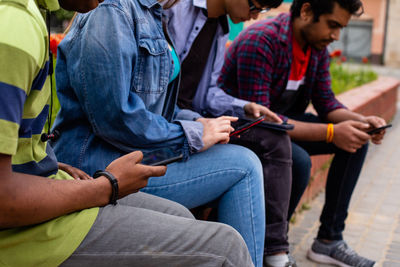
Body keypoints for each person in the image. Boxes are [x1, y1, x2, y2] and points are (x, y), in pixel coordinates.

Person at [0, 0, 255, 266]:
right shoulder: (17, 25)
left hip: (76, 174)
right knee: (226, 245)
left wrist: (49, 163)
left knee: (181, 215)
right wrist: (106, 186)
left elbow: (19, 144)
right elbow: (114, 116)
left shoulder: (34, 14)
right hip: (28, 234)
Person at [218, 0, 387, 266]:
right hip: (243, 127)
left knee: (355, 140)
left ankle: (329, 241)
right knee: (298, 160)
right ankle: (270, 245)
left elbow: (327, 103)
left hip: (281, 125)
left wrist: (363, 121)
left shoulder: (314, 47)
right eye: (332, 25)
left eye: (341, 28)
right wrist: (331, 133)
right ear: (307, 11)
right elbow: (262, 120)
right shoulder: (262, 40)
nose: (335, 36)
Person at [163, 1, 299, 266]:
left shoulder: (220, 27)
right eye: (254, 6)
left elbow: (209, 93)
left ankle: (271, 252)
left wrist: (245, 106)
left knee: (285, 149)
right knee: (257, 156)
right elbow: (154, 101)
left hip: (195, 117)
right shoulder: (172, 10)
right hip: (173, 123)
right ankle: (273, 255)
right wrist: (197, 125)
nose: (255, 16)